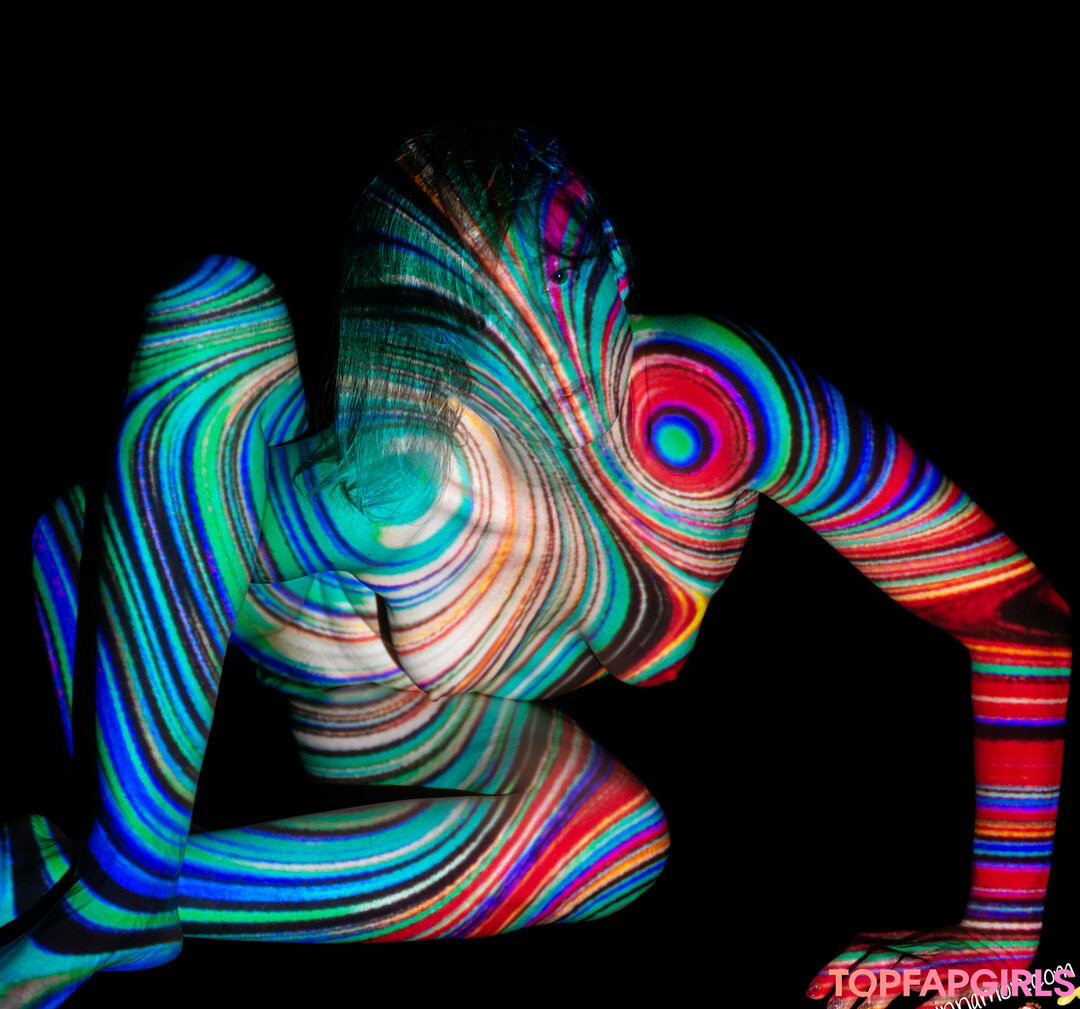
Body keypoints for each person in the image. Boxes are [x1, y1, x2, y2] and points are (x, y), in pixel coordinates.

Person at [1, 125, 1071, 1008]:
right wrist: (125, 856)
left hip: (382, 701)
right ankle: (117, 878)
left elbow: (1018, 617)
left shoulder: (715, 401)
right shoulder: (347, 482)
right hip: (176, 614)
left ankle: (104, 884)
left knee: (613, 846)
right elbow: (152, 510)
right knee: (215, 307)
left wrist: (1000, 942)